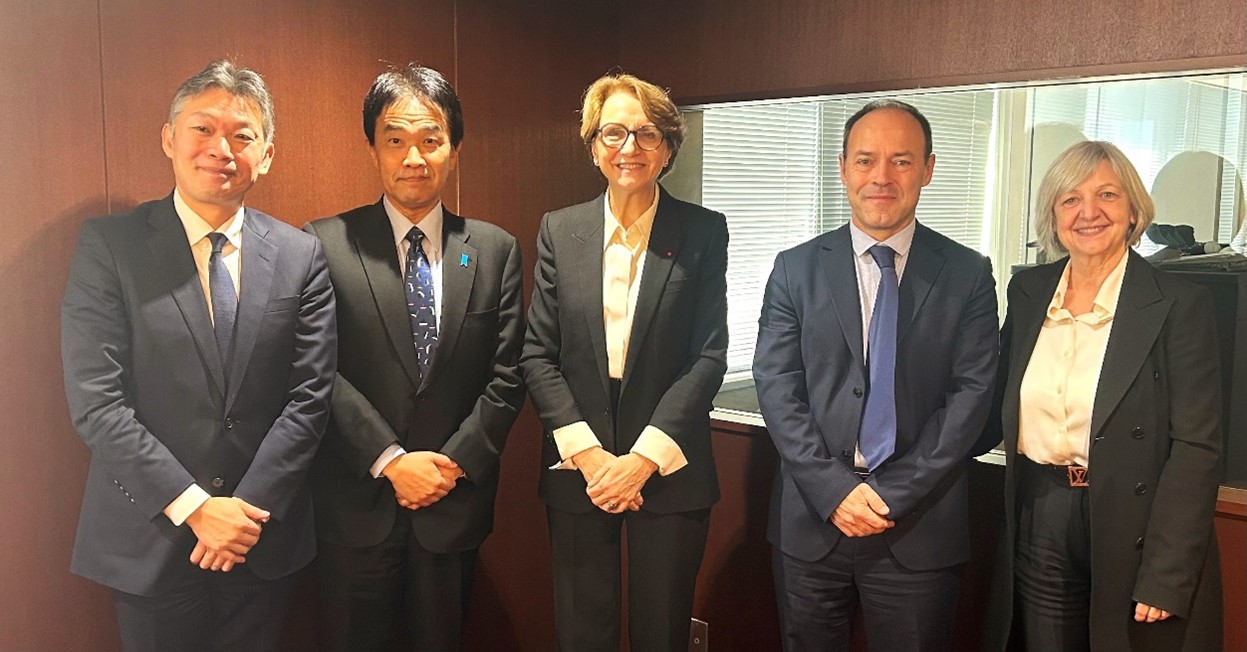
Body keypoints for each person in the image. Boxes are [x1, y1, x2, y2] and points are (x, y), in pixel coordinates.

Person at [60, 60, 337, 652]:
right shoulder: (110, 247)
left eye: (242, 135)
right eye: (203, 129)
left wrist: (244, 512)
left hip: (261, 538)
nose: (221, 149)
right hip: (150, 534)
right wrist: (195, 509)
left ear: (266, 155)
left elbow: (310, 398)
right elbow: (97, 401)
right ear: (169, 138)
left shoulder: (301, 256)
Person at [753, 99, 999, 652]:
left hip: (919, 525)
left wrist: (891, 495)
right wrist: (834, 490)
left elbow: (972, 397)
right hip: (812, 520)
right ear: (844, 169)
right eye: (865, 160)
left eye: (901, 161)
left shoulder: (968, 274)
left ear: (928, 170)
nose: (881, 177)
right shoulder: (795, 268)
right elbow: (777, 385)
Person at [304, 63, 525, 652]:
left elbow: (508, 376)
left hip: (453, 504)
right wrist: (391, 460)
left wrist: (448, 465)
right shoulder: (323, 244)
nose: (413, 158)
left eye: (430, 140)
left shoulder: (495, 249)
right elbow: (317, 370)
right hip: (357, 502)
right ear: (373, 147)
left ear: (454, 148)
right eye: (395, 139)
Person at [980, 141, 1223, 652]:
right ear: (1053, 214)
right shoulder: (1028, 292)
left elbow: (1197, 448)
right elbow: (992, 395)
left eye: (1107, 195)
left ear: (1134, 209)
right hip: (1043, 509)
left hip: (1135, 520)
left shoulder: (1180, 303)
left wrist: (1167, 573)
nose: (1088, 212)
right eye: (1070, 199)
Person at [520, 72, 728, 652]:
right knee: (582, 631)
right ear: (593, 146)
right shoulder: (561, 230)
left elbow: (708, 356)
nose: (629, 147)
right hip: (579, 468)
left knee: (663, 631)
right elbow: (538, 354)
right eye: (613, 132)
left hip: (668, 462)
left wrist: (639, 462)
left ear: (667, 149)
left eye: (647, 134)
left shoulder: (702, 231)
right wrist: (592, 460)